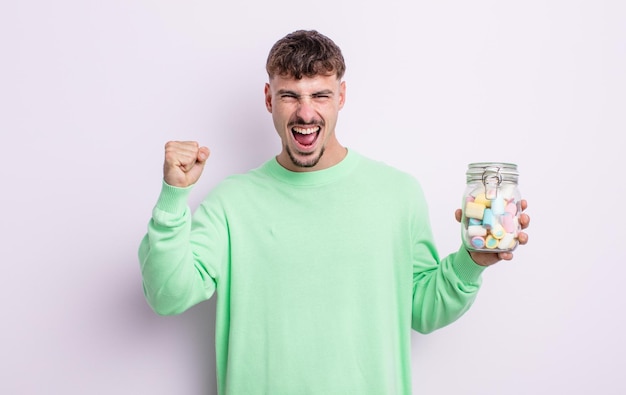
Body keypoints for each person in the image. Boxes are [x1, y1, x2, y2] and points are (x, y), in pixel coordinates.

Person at [138, 29, 530, 395]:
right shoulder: (231, 203)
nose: (305, 113)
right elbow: (167, 295)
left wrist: (470, 262)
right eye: (290, 95)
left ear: (341, 96)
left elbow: (423, 310)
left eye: (320, 95)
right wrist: (174, 196)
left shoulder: (397, 193)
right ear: (268, 98)